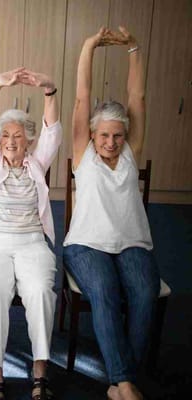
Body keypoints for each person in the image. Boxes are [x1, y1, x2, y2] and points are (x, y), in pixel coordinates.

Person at [63, 27, 159, 400]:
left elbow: (138, 95)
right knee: (104, 291)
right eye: (103, 135)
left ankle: (122, 381)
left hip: (132, 242)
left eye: (117, 136)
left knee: (145, 291)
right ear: (92, 134)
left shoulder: (130, 151)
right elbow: (82, 98)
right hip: (86, 244)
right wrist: (89, 46)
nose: (110, 142)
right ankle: (124, 382)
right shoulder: (83, 154)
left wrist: (134, 47)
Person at [0, 67, 62, 400]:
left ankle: (40, 368)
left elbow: (52, 131)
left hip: (32, 243)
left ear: (29, 140)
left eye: (18, 136)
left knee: (41, 290)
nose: (10, 142)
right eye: (5, 136)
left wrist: (49, 91)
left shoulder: (37, 163)